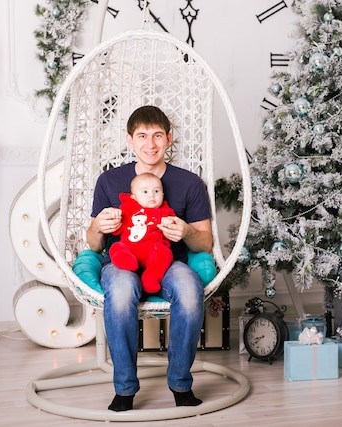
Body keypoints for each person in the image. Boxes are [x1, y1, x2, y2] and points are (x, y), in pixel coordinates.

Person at [86, 105, 212, 412]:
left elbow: (205, 242)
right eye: (142, 136)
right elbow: (92, 242)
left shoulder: (189, 183)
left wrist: (184, 231)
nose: (150, 144)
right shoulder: (110, 181)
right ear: (130, 140)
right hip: (122, 260)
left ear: (169, 138)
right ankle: (125, 388)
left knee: (190, 292)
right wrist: (98, 227)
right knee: (119, 292)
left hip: (168, 261)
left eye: (157, 135)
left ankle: (180, 382)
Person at [109, 172, 175, 293]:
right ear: (134, 197)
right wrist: (115, 218)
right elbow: (117, 229)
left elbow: (173, 235)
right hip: (131, 247)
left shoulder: (166, 212)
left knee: (165, 254)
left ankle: (151, 277)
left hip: (154, 249)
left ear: (163, 194)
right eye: (145, 192)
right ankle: (125, 261)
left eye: (156, 191)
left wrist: (169, 224)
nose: (151, 196)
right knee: (117, 247)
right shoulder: (128, 209)